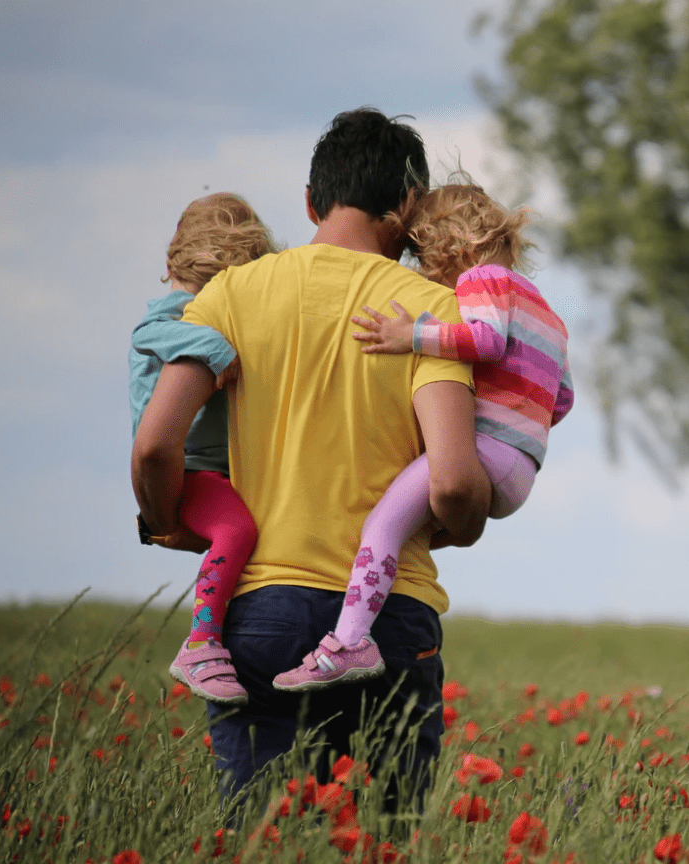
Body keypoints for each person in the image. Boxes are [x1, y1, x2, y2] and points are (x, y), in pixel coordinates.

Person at [131, 108, 491, 802]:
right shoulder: (430, 311)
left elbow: (154, 444)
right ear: (409, 207)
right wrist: (465, 522)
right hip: (389, 617)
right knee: (386, 841)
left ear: (309, 201)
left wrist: (170, 520)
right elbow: (451, 482)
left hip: (259, 610)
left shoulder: (229, 295)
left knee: (263, 838)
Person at [272, 181, 574, 692]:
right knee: (409, 526)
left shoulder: (482, 280)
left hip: (486, 452)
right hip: (522, 466)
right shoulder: (547, 311)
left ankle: (348, 642)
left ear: (449, 245)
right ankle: (369, 615)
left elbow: (485, 340)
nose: (424, 273)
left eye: (422, 256)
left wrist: (410, 335)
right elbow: (561, 399)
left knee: (381, 526)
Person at [129, 192, 276, 706]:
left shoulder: (199, 307)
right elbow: (149, 331)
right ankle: (201, 642)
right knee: (237, 530)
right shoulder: (177, 313)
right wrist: (218, 350)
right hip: (190, 471)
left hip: (213, 471)